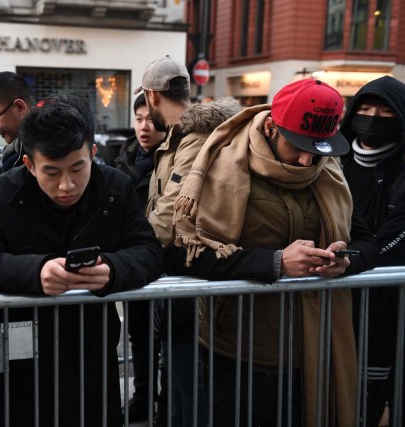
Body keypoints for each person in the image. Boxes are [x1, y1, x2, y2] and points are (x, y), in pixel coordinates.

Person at [170, 78, 379, 426]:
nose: (306, 159)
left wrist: (345, 259)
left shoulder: (329, 172)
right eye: (296, 145)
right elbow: (185, 253)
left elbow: (366, 242)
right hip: (236, 351)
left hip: (311, 349)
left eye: (318, 148)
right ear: (270, 127)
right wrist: (276, 262)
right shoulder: (222, 164)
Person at [0, 94, 163, 426]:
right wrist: (35, 272)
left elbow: (148, 251)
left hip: (92, 344)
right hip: (18, 346)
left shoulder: (116, 187)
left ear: (93, 154)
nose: (67, 185)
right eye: (51, 172)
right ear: (29, 164)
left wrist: (112, 269)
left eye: (78, 168)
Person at [135, 54, 242, 427]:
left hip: (193, 279)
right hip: (179, 276)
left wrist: (136, 255)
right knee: (180, 377)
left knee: (190, 380)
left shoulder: (195, 138)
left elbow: (170, 214)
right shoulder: (178, 138)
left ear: (151, 95)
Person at [339, 76, 405, 426]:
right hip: (323, 309)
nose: (372, 117)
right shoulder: (330, 166)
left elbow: (392, 243)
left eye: (385, 111)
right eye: (365, 108)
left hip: (378, 315)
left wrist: (345, 259)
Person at [114, 93, 166, 422]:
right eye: (138, 119)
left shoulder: (178, 156)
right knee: (140, 337)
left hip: (168, 262)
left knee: (169, 339)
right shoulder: (126, 156)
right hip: (135, 262)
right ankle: (144, 397)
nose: (144, 127)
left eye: (149, 119)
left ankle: (166, 403)